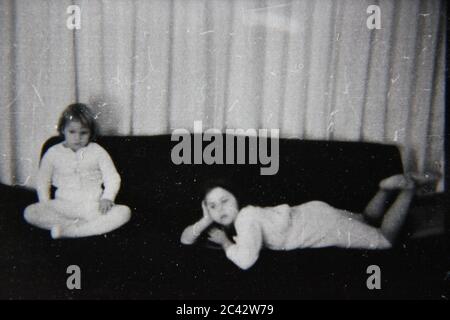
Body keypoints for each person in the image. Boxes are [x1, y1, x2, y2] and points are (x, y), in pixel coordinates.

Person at [180, 174, 434, 270]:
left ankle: (408, 190)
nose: (219, 209)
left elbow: (246, 261)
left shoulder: (246, 219)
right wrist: (205, 219)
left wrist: (225, 244)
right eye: (212, 205)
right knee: (365, 219)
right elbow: (185, 239)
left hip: (320, 226)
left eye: (224, 201)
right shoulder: (245, 215)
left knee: (385, 240)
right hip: (314, 212)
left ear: (237, 199)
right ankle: (384, 190)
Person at [24, 103, 131, 239]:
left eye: (83, 133)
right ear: (63, 130)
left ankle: (71, 232)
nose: (77, 137)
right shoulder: (53, 153)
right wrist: (45, 204)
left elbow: (112, 177)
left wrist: (107, 197)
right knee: (30, 212)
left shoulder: (97, 151)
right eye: (72, 132)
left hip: (92, 206)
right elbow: (43, 179)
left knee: (124, 212)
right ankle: (75, 226)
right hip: (63, 206)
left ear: (90, 133)